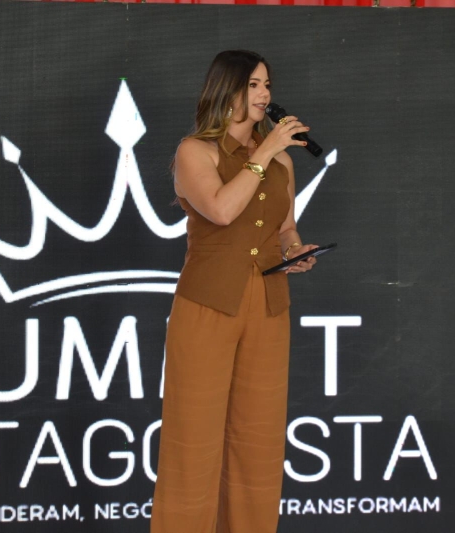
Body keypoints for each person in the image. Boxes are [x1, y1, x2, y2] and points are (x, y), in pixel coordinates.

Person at [150, 49, 318, 533]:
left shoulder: (282, 160)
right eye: (254, 85)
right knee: (193, 441)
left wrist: (295, 249)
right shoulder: (195, 151)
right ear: (227, 90)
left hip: (268, 304)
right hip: (209, 303)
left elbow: (285, 228)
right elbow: (222, 210)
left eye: (268, 85)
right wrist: (264, 153)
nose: (265, 94)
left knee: (257, 442)